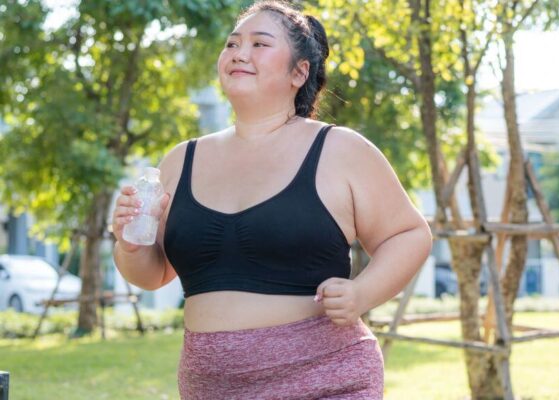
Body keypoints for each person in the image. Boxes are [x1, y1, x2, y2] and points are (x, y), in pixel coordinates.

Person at [112, 2, 432, 399]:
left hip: (325, 378)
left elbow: (409, 234)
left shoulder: (340, 149)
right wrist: (129, 244)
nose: (239, 53)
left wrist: (362, 294)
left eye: (259, 43)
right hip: (210, 388)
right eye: (232, 43)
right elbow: (153, 274)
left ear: (299, 72)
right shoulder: (180, 160)